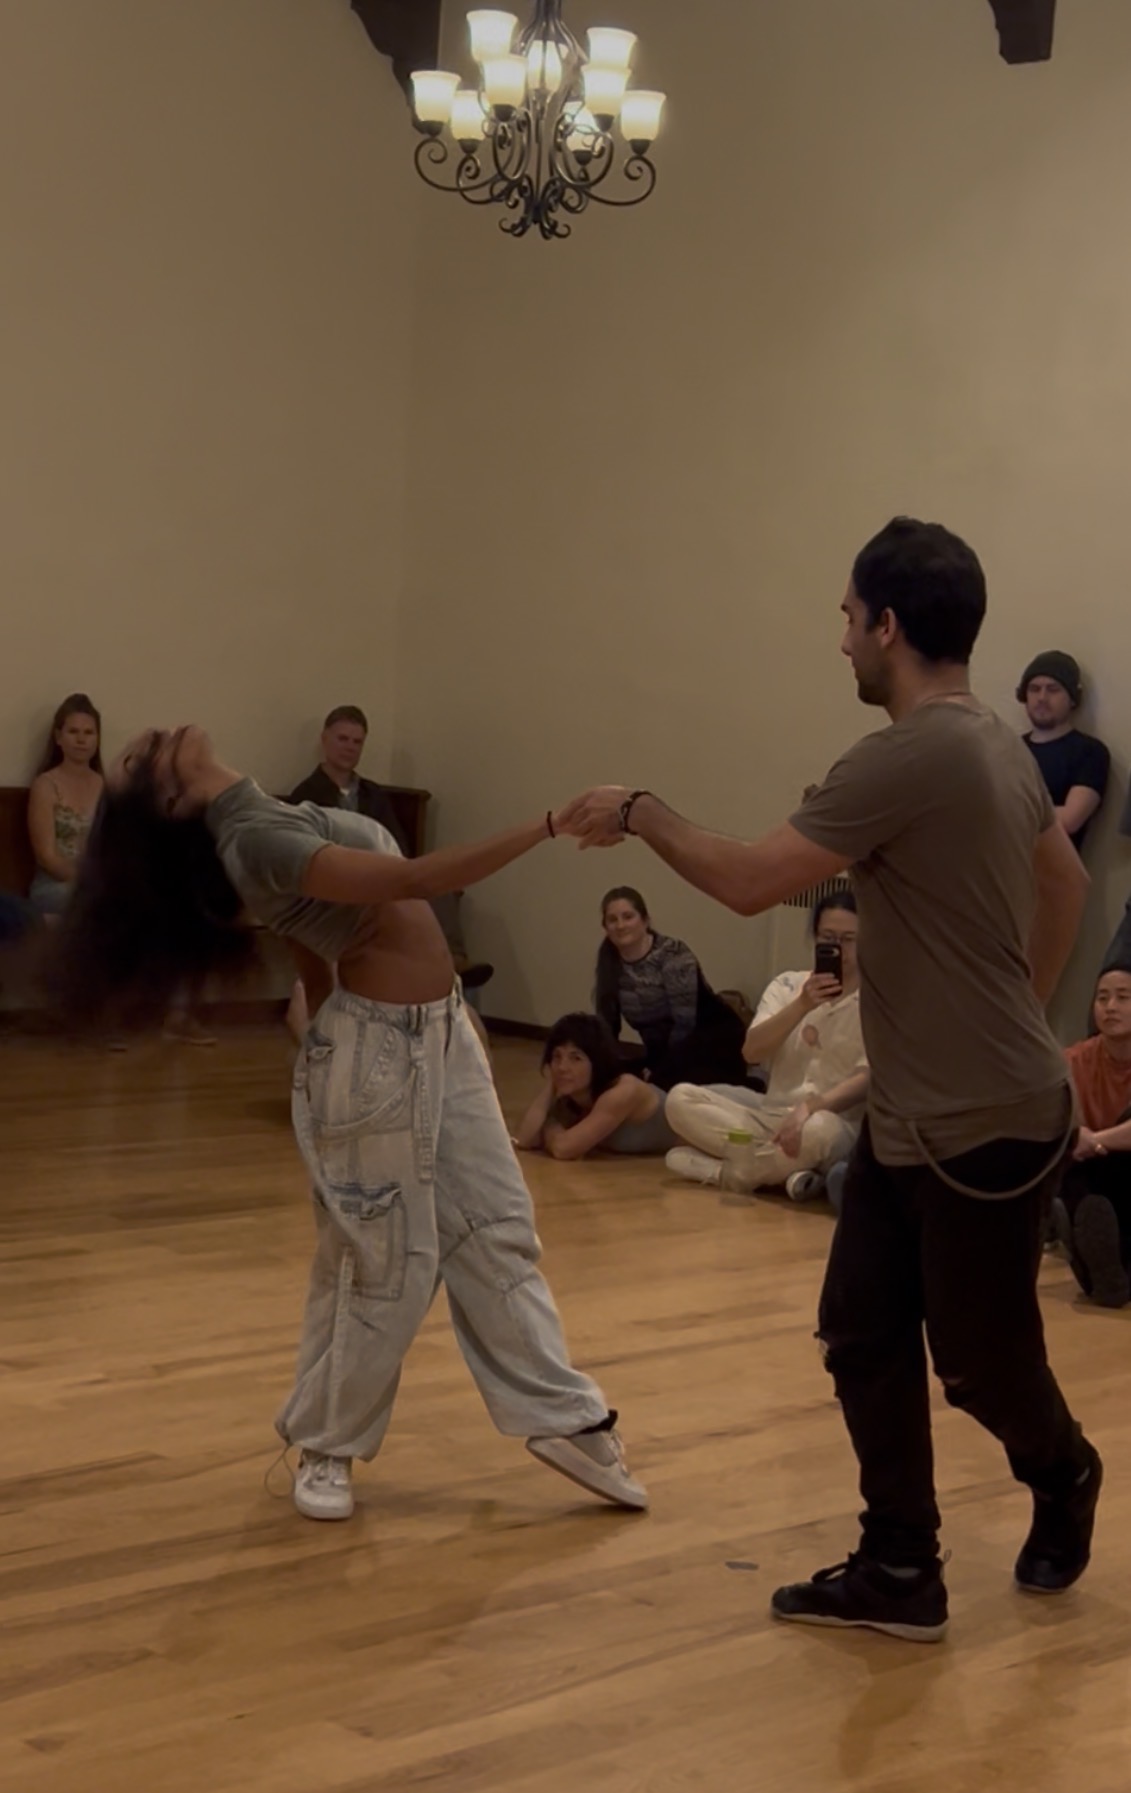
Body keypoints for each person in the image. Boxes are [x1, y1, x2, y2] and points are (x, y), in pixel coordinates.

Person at [560, 516, 1099, 1643]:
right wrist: (1020, 1002)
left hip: (987, 1123)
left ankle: (1066, 1470)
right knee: (859, 1328)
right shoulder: (993, 743)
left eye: (849, 618)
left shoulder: (914, 752)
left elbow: (755, 880)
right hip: (914, 1116)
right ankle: (901, 1564)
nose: (841, 638)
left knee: (983, 1366)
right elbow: (1064, 887)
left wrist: (638, 810)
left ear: (889, 625)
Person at [51, 727, 646, 1522]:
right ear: (168, 799)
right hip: (382, 1051)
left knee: (497, 1227)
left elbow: (305, 928)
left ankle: (561, 1415)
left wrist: (319, 1007)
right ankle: (325, 1440)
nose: (153, 736)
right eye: (141, 756)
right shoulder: (253, 836)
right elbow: (412, 877)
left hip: (445, 1033)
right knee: (384, 1260)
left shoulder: (267, 811)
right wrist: (547, 824)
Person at [664, 890, 867, 1199]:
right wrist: (801, 1005)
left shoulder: (878, 1001)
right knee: (678, 1100)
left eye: (849, 939)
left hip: (832, 1123)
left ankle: (732, 1173)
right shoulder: (787, 985)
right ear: (815, 936)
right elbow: (752, 1052)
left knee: (820, 1130)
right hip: (770, 1118)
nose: (838, 948)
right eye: (829, 937)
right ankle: (787, 1175)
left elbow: (869, 1078)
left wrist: (810, 1109)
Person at [595, 887, 746, 1089]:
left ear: (645, 920)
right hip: (663, 1052)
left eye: (628, 917)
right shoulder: (609, 961)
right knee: (604, 1080)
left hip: (710, 1041)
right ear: (605, 927)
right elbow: (607, 1023)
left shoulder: (673, 954)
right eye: (612, 920)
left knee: (654, 1088)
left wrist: (660, 1068)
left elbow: (685, 1023)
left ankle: (750, 1085)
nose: (620, 925)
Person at [1057, 965, 1131, 1307]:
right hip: (1086, 1170)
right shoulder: (1074, 1059)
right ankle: (1103, 1271)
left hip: (1121, 1165)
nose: (1110, 1006)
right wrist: (1077, 1135)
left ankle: (1097, 1268)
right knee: (1066, 1161)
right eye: (1102, 998)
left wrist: (1096, 1139)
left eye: (1123, 997)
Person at [516, 1012, 678, 1159]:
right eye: (556, 1057)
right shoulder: (572, 1096)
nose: (562, 1067)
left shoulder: (623, 1091)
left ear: (597, 1063)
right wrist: (551, 1086)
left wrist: (549, 1127)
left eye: (576, 1058)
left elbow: (563, 1149)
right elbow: (524, 1139)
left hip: (700, 1124)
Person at [1018, 651, 1110, 854]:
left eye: (1053, 690)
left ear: (1072, 699)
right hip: (998, 871)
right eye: (1034, 689)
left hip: (1052, 878)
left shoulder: (1090, 752)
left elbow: (1069, 820)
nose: (1042, 697)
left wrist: (1004, 813)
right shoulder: (1009, 748)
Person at [288, 705, 409, 852]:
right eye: (343, 739)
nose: (350, 747)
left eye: (357, 742)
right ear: (325, 739)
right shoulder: (305, 796)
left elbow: (397, 847)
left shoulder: (375, 795)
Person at [27, 694, 104, 917]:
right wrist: (88, 881)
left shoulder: (105, 786)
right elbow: (47, 857)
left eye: (89, 733)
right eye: (73, 732)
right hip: (55, 887)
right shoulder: (46, 785)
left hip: (98, 885)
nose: (81, 740)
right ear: (58, 737)